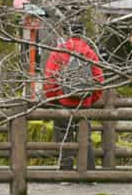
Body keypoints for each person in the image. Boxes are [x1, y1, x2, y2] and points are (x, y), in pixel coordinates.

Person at [44, 24, 105, 170]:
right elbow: (99, 81)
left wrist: (54, 98)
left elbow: (50, 80)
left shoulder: (59, 52)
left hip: (63, 102)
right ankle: (88, 171)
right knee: (85, 138)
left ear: (67, 33)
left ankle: (66, 171)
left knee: (64, 137)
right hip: (84, 103)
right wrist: (90, 99)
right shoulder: (89, 53)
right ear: (83, 34)